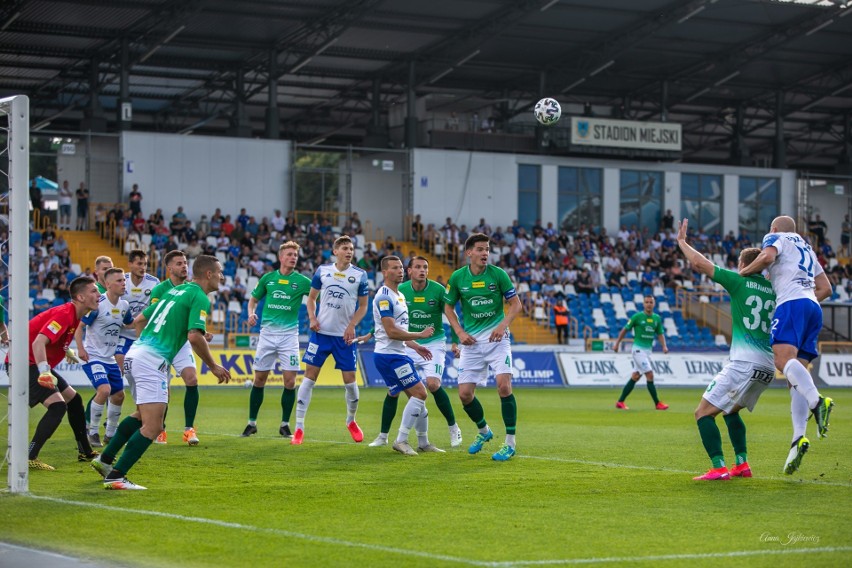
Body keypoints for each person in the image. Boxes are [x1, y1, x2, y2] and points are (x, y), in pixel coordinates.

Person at [91, 255, 230, 490]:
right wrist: (214, 365)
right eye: (219, 272)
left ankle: (105, 460)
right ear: (209, 274)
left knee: (140, 416)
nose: (222, 277)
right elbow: (194, 336)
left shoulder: (176, 291)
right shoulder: (199, 297)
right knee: (154, 426)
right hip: (151, 360)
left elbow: (140, 318)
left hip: (137, 353)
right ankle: (116, 476)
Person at [678, 219, 776, 480]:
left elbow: (700, 264)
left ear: (744, 266)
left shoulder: (739, 281)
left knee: (702, 413)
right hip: (767, 365)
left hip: (744, 361)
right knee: (731, 411)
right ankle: (742, 464)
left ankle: (719, 467)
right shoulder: (776, 291)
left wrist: (682, 243)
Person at [739, 215, 834, 473]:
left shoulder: (775, 237)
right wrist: (805, 299)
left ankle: (817, 402)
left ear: (773, 228)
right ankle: (797, 439)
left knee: (781, 361)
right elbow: (826, 288)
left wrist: (745, 271)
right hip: (813, 308)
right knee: (796, 378)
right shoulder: (807, 248)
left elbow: (767, 257)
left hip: (791, 304)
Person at [367, 256, 463, 448]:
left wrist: (455, 341)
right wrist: (370, 334)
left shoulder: (437, 290)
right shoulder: (398, 291)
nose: (422, 270)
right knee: (400, 392)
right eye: (417, 267)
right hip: (407, 342)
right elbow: (387, 323)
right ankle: (385, 436)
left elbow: (451, 313)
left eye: (425, 267)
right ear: (409, 271)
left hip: (432, 343)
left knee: (432, 385)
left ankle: (453, 428)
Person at [6, 277, 100, 470]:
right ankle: (29, 456)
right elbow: (38, 342)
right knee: (57, 406)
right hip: (25, 364)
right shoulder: (65, 314)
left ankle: (85, 451)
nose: (99, 295)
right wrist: (44, 371)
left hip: (33, 362)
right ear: (81, 297)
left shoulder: (73, 314)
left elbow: (47, 334)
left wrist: (66, 350)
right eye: (94, 291)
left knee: (74, 400)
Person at [443, 233, 522, 461]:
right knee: (465, 395)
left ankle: (510, 443)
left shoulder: (498, 275)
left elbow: (516, 304)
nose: (485, 253)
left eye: (487, 249)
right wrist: (459, 333)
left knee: (504, 387)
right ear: (469, 253)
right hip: (472, 343)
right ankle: (484, 431)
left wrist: (503, 325)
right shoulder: (458, 278)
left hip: (498, 340)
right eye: (480, 249)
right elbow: (448, 308)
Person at [293, 235, 369, 445]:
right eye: (345, 248)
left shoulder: (360, 275)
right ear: (335, 251)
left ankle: (351, 421)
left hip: (344, 338)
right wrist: (312, 317)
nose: (349, 251)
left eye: (351, 248)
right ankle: (299, 427)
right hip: (321, 334)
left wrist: (352, 325)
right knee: (309, 377)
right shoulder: (322, 271)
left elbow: (363, 306)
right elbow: (311, 299)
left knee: (351, 382)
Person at [240, 242, 313, 438]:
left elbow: (317, 297)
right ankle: (252, 423)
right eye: (289, 254)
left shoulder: (303, 281)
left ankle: (284, 425)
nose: (293, 258)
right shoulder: (268, 278)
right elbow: (253, 299)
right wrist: (251, 313)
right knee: (259, 380)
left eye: (295, 255)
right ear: (281, 257)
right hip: (267, 335)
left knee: (290, 381)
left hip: (289, 337)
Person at [144, 250, 205, 445]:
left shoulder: (191, 289)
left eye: (185, 262)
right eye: (179, 263)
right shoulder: (160, 290)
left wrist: (203, 331)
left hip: (181, 343)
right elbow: (152, 317)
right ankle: (160, 429)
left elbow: (192, 318)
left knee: (192, 378)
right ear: (169, 268)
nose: (184, 266)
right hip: (161, 344)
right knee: (164, 390)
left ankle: (189, 430)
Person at [75, 268, 134, 447]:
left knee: (119, 395)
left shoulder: (124, 306)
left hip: (110, 359)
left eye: (124, 280)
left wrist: (148, 318)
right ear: (107, 284)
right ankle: (92, 432)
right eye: (119, 281)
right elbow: (79, 327)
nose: (123, 283)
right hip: (93, 356)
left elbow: (129, 324)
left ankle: (110, 434)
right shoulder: (98, 304)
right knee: (105, 390)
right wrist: (80, 349)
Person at [613, 295, 669, 410]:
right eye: (646, 302)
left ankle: (620, 402)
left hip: (647, 352)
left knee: (636, 376)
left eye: (651, 302)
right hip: (638, 350)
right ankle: (657, 403)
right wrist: (617, 343)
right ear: (643, 304)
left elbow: (660, 333)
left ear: (654, 304)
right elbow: (625, 329)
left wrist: (664, 346)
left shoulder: (656, 318)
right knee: (650, 374)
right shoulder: (637, 317)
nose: (649, 304)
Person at [116, 249, 159, 390]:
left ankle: (141, 407)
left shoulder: (154, 283)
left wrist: (138, 322)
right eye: (139, 263)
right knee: (118, 371)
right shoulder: (122, 281)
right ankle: (112, 403)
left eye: (145, 264)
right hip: (123, 334)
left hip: (144, 336)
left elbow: (156, 309)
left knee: (140, 375)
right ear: (130, 264)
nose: (143, 268)